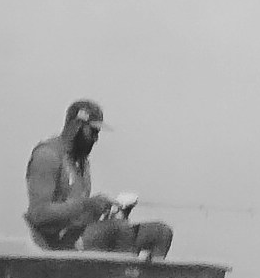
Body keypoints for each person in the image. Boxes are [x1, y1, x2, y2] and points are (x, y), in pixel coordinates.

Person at [24, 97, 172, 259]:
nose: (96, 139)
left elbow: (80, 214)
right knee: (118, 230)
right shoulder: (47, 155)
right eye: (93, 132)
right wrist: (87, 205)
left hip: (83, 234)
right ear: (77, 126)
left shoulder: (82, 163)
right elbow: (38, 214)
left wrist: (106, 211)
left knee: (160, 232)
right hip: (57, 244)